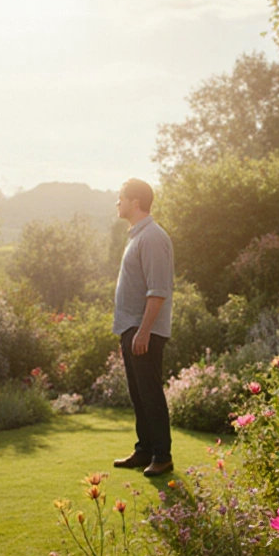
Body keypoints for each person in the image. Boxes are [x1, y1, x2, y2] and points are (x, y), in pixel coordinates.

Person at [111, 178, 175, 477]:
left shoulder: (152, 237)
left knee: (149, 392)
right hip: (132, 328)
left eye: (121, 198)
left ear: (135, 202)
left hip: (142, 330)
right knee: (138, 393)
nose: (117, 203)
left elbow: (158, 290)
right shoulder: (137, 236)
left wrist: (144, 331)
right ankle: (144, 450)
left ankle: (162, 455)